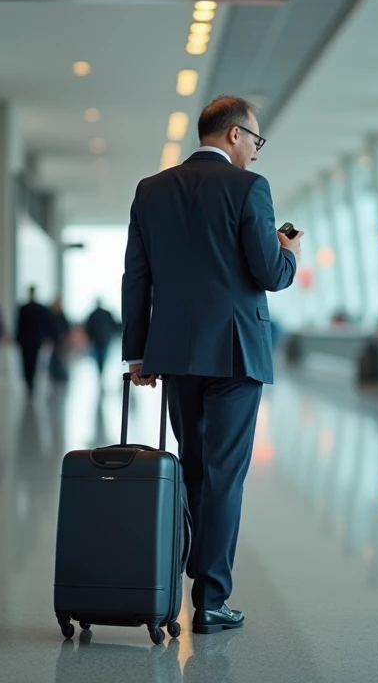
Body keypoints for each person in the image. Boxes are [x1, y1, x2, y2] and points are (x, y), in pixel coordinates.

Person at [122, 94, 302, 635]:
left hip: (177, 353)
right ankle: (211, 600)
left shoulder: (150, 191)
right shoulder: (250, 189)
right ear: (233, 135)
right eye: (255, 140)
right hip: (235, 353)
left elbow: (137, 276)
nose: (255, 151)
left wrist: (139, 353)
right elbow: (269, 273)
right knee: (224, 475)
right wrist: (287, 250)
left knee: (196, 467)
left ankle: (185, 579)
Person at [15, 287, 53, 394]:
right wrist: (17, 339)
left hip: (36, 340)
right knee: (25, 361)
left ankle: (31, 381)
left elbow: (46, 325)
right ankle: (28, 381)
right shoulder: (23, 308)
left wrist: (47, 337)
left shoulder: (40, 309)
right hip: (25, 340)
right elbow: (19, 325)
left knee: (34, 360)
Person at [84, 300, 119, 376]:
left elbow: (88, 328)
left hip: (97, 340)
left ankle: (100, 371)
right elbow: (114, 326)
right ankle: (101, 370)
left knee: (98, 358)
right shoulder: (107, 313)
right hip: (105, 339)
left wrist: (90, 338)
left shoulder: (92, 314)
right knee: (103, 356)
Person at [48, 297, 71, 384]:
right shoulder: (51, 315)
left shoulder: (62, 315)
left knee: (62, 358)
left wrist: (65, 338)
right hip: (54, 340)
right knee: (54, 358)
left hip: (62, 341)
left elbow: (66, 328)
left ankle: (62, 375)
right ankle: (54, 375)